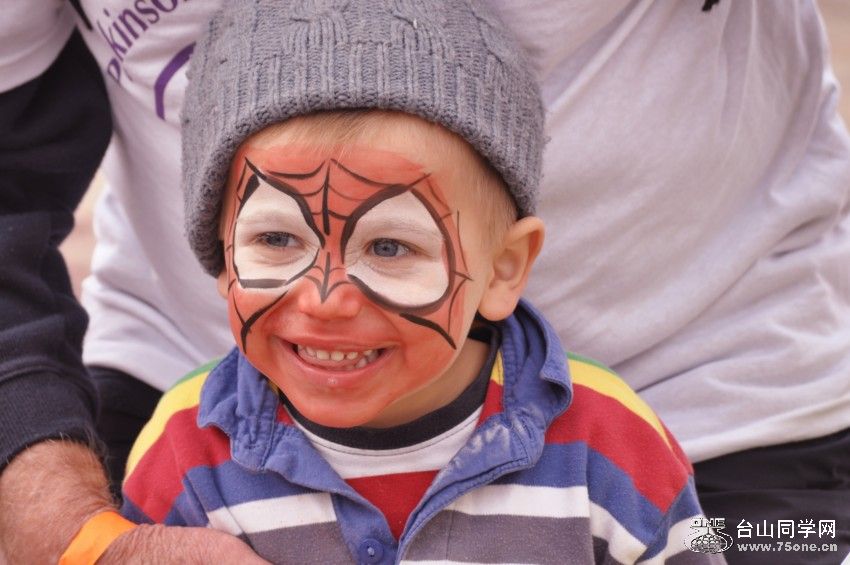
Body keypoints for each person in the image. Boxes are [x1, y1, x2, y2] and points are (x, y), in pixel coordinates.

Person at [1, 1, 848, 563]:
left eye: (389, 246)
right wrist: (77, 537)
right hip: (172, 364)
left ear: (508, 265)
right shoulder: (183, 461)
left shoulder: (628, 454)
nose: (327, 297)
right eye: (275, 238)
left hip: (726, 400)